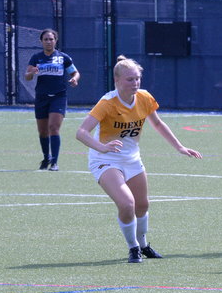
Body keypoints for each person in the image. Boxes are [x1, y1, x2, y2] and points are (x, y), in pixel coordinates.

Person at [76, 56, 202, 263]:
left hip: (132, 159)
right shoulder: (107, 103)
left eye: (137, 79)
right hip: (105, 160)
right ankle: (133, 247)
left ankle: (143, 245)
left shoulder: (144, 98)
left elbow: (158, 124)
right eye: (129, 79)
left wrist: (179, 147)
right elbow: (81, 133)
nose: (135, 83)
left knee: (142, 205)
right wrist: (102, 147)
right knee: (127, 204)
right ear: (117, 81)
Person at [25, 28, 80, 171]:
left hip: (58, 96)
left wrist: (74, 79)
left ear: (56, 41)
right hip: (42, 97)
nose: (48, 42)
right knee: (43, 131)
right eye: (46, 39)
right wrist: (31, 73)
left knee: (53, 127)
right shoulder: (36, 58)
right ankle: (46, 158)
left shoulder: (63, 58)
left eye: (51, 39)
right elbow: (27, 76)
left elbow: (75, 72)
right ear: (41, 41)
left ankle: (54, 162)